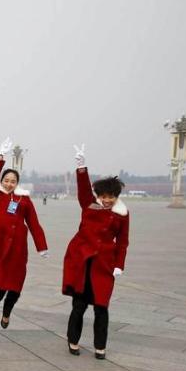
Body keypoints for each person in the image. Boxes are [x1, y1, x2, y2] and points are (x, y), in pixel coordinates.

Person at [63, 144, 129, 359]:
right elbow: (83, 190)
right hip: (82, 261)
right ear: (98, 195)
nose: (107, 200)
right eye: (104, 196)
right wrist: (82, 167)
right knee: (79, 305)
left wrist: (119, 264)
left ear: (116, 196)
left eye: (112, 196)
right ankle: (73, 341)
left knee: (102, 306)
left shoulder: (122, 214)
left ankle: (100, 347)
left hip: (104, 264)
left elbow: (123, 241)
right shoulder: (89, 206)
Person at [0, 138, 48, 328]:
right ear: (2, 181)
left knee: (16, 284)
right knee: (1, 282)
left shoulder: (24, 200)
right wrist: (0, 157)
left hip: (17, 247)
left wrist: (41, 246)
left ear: (17, 183)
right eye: (6, 180)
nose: (9, 184)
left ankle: (7, 311)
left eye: (13, 181)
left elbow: (34, 223)